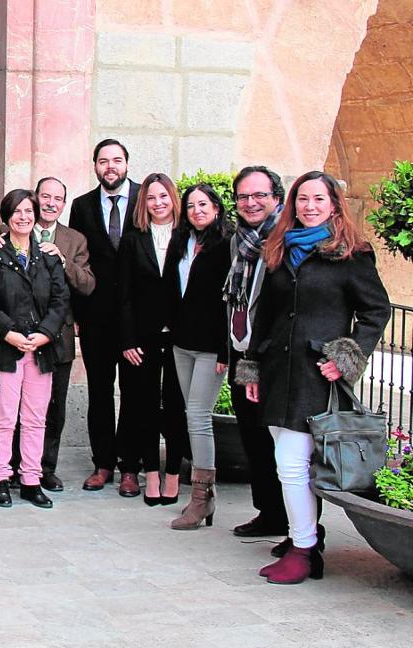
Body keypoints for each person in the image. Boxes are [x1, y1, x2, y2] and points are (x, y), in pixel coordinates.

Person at [238, 170, 389, 585]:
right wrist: (251, 366)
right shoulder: (279, 248)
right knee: (288, 462)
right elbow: (265, 315)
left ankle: (303, 550)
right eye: (303, 199)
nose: (309, 206)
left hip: (315, 374)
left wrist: (347, 355)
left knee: (291, 464)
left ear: (334, 205)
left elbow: (376, 311)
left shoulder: (352, 253)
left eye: (319, 199)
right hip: (276, 371)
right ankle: (303, 540)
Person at [0, 177, 95, 491]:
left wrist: (62, 261)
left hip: (53, 339)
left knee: (50, 410)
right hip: (11, 340)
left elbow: (84, 286)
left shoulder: (73, 240)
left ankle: (42, 470)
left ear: (64, 204)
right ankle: (9, 470)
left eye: (58, 198)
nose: (51, 203)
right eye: (45, 197)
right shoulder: (1, 237)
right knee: (8, 411)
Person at [0, 189, 69, 509]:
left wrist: (45, 334)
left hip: (40, 350)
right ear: (7, 216)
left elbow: (60, 301)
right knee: (3, 417)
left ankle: (31, 480)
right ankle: (1, 479)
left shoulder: (49, 256)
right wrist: (8, 332)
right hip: (4, 349)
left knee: (35, 419)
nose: (24, 217)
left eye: (29, 211)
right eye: (17, 211)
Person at [69, 139, 142, 495]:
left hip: (136, 319)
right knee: (99, 393)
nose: (110, 166)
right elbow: (76, 261)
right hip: (95, 317)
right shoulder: (82, 205)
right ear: (95, 166)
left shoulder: (146, 198)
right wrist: (76, 314)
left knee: (134, 394)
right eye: (103, 161)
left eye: (116, 160)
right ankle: (103, 464)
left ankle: (130, 467)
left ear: (126, 163)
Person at [116, 173, 188, 506]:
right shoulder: (133, 240)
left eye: (163, 196)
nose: (158, 203)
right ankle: (151, 475)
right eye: (150, 198)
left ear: (173, 199)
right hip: (141, 339)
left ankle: (173, 473)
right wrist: (127, 340)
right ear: (142, 203)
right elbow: (123, 295)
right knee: (142, 406)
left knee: (175, 407)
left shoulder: (188, 237)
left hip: (181, 338)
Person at [225, 166, 289, 539]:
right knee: (253, 438)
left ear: (276, 198)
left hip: (273, 356)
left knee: (282, 442)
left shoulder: (288, 240)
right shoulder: (240, 241)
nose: (250, 203)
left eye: (259, 195)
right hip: (241, 351)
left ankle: (298, 524)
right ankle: (269, 513)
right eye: (243, 196)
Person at [167, 184, 234, 529]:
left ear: (217, 208)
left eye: (204, 204)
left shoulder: (227, 245)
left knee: (198, 415)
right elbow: (170, 288)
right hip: (182, 342)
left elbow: (232, 300)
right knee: (189, 413)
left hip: (211, 346)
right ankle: (205, 496)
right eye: (191, 205)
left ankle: (201, 497)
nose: (197, 210)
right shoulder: (181, 242)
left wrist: (226, 348)